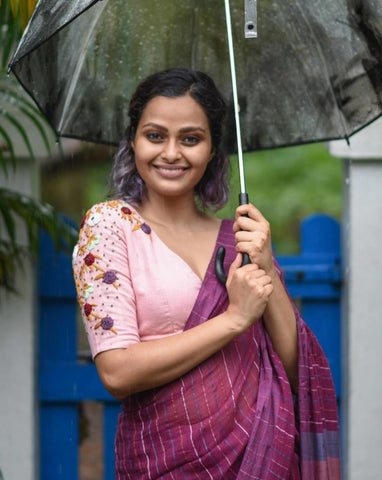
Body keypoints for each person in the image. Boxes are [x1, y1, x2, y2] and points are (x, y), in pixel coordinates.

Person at [73, 68, 341, 479]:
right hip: (164, 459)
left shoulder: (240, 241)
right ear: (133, 140)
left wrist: (266, 264)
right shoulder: (110, 227)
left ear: (214, 148)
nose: (172, 153)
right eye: (155, 135)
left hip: (262, 457)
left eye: (191, 139)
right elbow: (117, 371)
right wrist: (233, 319)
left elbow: (294, 370)